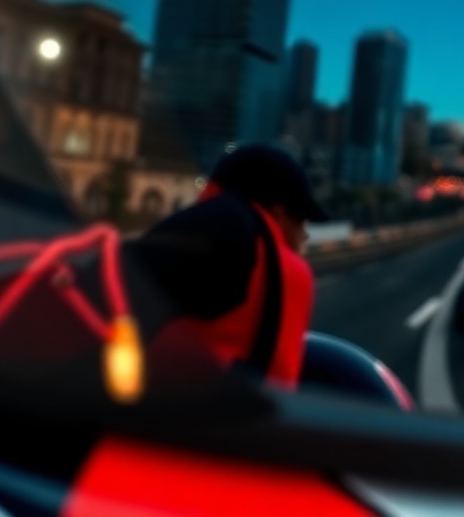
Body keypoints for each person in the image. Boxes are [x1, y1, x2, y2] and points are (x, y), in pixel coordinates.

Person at [133, 144, 328, 390]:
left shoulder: (174, 228)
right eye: (301, 221)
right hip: (185, 428)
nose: (305, 235)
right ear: (278, 215)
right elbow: (277, 399)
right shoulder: (282, 266)